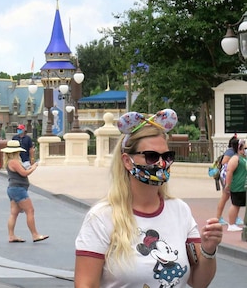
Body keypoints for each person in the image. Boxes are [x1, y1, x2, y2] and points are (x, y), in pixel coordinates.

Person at [75, 110, 223, 287]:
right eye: (152, 156)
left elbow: (199, 282)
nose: (161, 164)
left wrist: (208, 250)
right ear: (127, 161)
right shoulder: (101, 217)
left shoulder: (180, 210)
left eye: (167, 157)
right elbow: (85, 283)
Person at [3, 139, 47, 243]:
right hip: (19, 189)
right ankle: (35, 234)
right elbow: (24, 173)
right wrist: (34, 167)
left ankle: (11, 235)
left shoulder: (8, 162)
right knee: (30, 211)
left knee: (14, 213)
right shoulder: (14, 162)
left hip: (12, 188)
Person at [215, 135, 240, 225]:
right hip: (226, 177)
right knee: (225, 197)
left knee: (230, 197)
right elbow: (224, 162)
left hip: (230, 177)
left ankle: (234, 216)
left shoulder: (234, 152)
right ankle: (218, 217)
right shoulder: (230, 152)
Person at [224, 139, 247, 231]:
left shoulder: (244, 158)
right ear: (240, 148)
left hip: (243, 187)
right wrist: (228, 185)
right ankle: (231, 224)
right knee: (235, 205)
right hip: (237, 186)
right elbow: (229, 172)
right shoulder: (235, 158)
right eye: (245, 148)